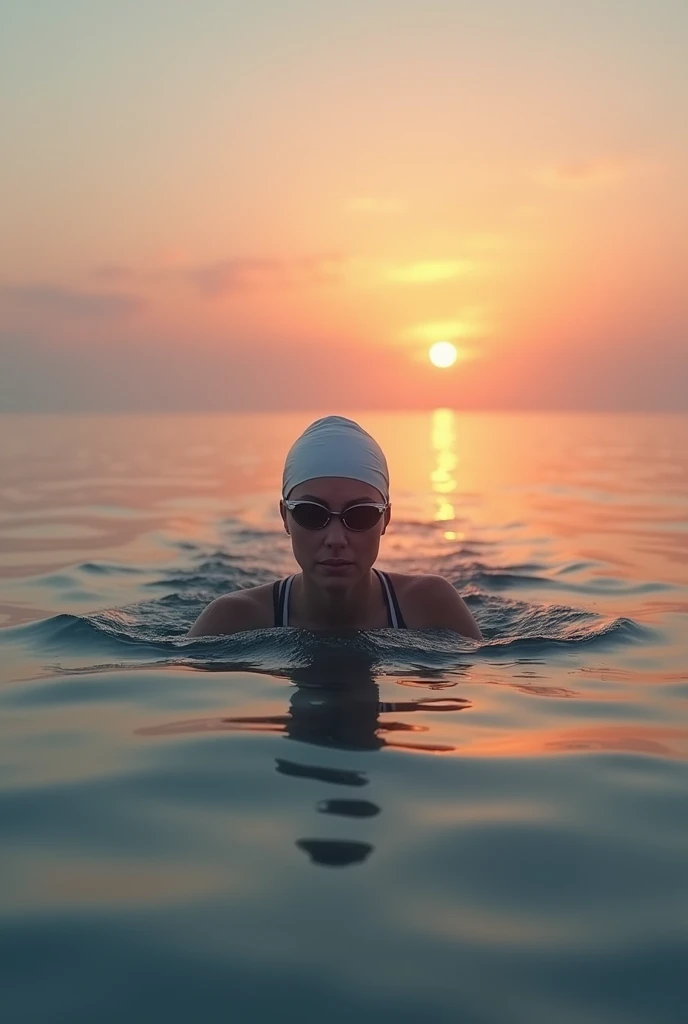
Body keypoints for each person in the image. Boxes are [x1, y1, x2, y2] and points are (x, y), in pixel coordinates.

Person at [188, 415, 482, 639]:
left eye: (360, 515)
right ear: (285, 517)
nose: (336, 538)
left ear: (386, 520)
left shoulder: (432, 606)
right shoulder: (232, 620)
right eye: (312, 514)